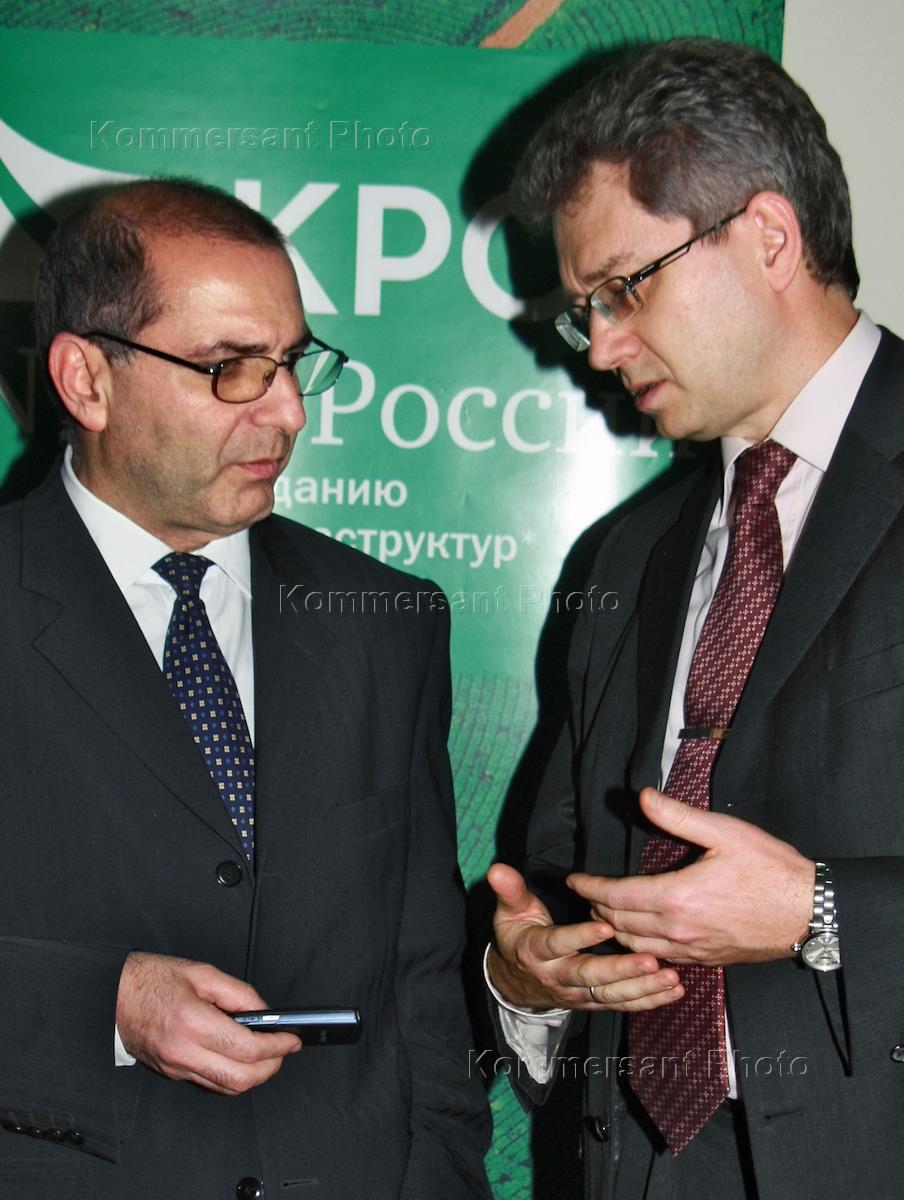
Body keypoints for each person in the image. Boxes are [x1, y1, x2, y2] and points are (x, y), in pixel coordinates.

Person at [0, 177, 491, 1199]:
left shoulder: (384, 621)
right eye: (231, 368)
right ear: (85, 380)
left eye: (294, 362)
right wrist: (107, 1005)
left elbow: (420, 985)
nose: (289, 411)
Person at [484, 37, 904, 1200]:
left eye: (623, 289)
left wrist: (820, 912)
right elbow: (566, 872)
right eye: (585, 312)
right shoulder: (624, 555)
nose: (601, 349)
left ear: (768, 237)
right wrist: (532, 978)